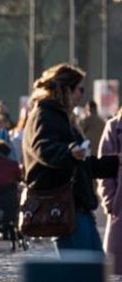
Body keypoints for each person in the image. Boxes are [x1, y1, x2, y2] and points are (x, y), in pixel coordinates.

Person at [23, 64, 119, 253]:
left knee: (94, 270)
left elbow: (82, 164)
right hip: (64, 205)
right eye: (80, 90)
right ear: (66, 90)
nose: (81, 95)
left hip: (77, 205)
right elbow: (43, 148)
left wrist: (114, 163)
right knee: (82, 273)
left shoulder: (62, 116)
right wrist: (69, 151)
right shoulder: (45, 114)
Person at [98, 111, 122, 274]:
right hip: (120, 209)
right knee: (115, 272)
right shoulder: (114, 127)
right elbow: (104, 169)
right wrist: (111, 203)